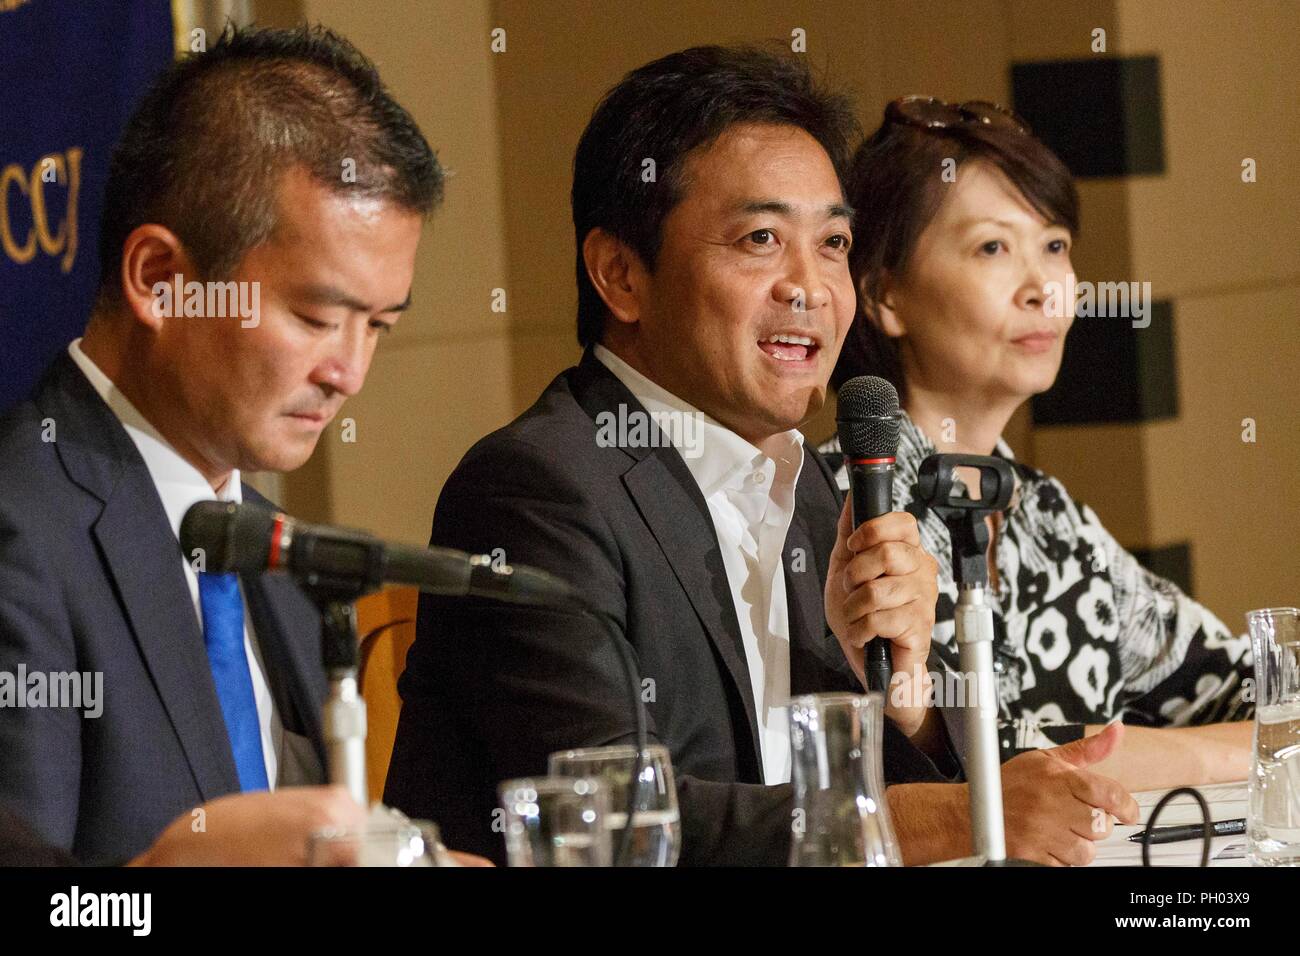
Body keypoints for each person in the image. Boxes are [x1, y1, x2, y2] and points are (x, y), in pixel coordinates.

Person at [385, 48, 1138, 868]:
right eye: (760, 238)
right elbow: (614, 820)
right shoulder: (536, 490)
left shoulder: (817, 489)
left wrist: (909, 696)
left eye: (834, 243)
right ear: (620, 274)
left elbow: (857, 782)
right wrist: (957, 817)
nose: (810, 287)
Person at [0, 24, 441, 864]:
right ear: (161, 282)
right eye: (316, 317)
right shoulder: (20, 532)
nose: (348, 371)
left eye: (378, 325)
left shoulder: (271, 558)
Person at [821, 96, 1253, 793]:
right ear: (884, 293)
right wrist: (1182, 755)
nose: (1043, 288)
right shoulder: (837, 504)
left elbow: (1259, 690)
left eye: (1054, 246)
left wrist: (1171, 751)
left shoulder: (1050, 517)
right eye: (993, 247)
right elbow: (986, 755)